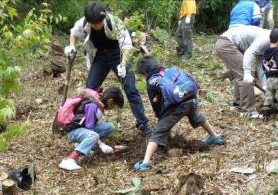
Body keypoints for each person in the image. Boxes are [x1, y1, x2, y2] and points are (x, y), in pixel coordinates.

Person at [64, 2, 151, 136]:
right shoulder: (84, 23)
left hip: (119, 53)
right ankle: (82, 123)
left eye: (100, 22)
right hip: (100, 56)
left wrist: (123, 64)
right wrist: (71, 46)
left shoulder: (114, 22)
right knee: (89, 90)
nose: (97, 25)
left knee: (131, 89)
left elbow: (127, 45)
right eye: (94, 23)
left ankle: (142, 123)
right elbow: (73, 33)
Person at [133, 56, 222, 172]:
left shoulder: (151, 81)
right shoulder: (169, 71)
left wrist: (161, 117)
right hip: (192, 100)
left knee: (158, 132)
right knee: (196, 116)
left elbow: (156, 104)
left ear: (145, 72)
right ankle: (214, 136)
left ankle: (145, 163)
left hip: (178, 107)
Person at [59, 87, 124, 171]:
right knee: (93, 135)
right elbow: (90, 129)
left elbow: (91, 124)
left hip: (82, 128)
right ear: (110, 101)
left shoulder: (99, 104)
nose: (113, 108)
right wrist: (101, 145)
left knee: (109, 127)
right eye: (114, 105)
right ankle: (70, 159)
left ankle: (86, 147)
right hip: (74, 131)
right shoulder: (93, 105)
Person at [215, 25, 271, 118]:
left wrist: (264, 85)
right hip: (226, 43)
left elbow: (260, 64)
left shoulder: (269, 42)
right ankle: (248, 111)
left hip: (227, 43)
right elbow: (249, 53)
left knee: (241, 74)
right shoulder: (266, 38)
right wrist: (248, 73)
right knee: (244, 74)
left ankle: (237, 105)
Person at [261, 28, 278, 115]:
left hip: (269, 79)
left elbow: (263, 65)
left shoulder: (265, 52)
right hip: (277, 78)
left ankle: (265, 113)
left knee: (269, 96)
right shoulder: (277, 52)